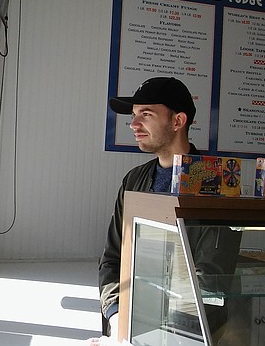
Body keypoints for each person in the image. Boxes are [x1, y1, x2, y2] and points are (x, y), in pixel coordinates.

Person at [97, 76, 241, 342]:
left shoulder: (217, 184)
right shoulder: (133, 181)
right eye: (133, 115)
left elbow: (211, 275)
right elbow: (112, 259)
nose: (134, 124)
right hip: (131, 325)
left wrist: (168, 334)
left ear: (177, 121)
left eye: (146, 114)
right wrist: (116, 314)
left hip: (190, 331)